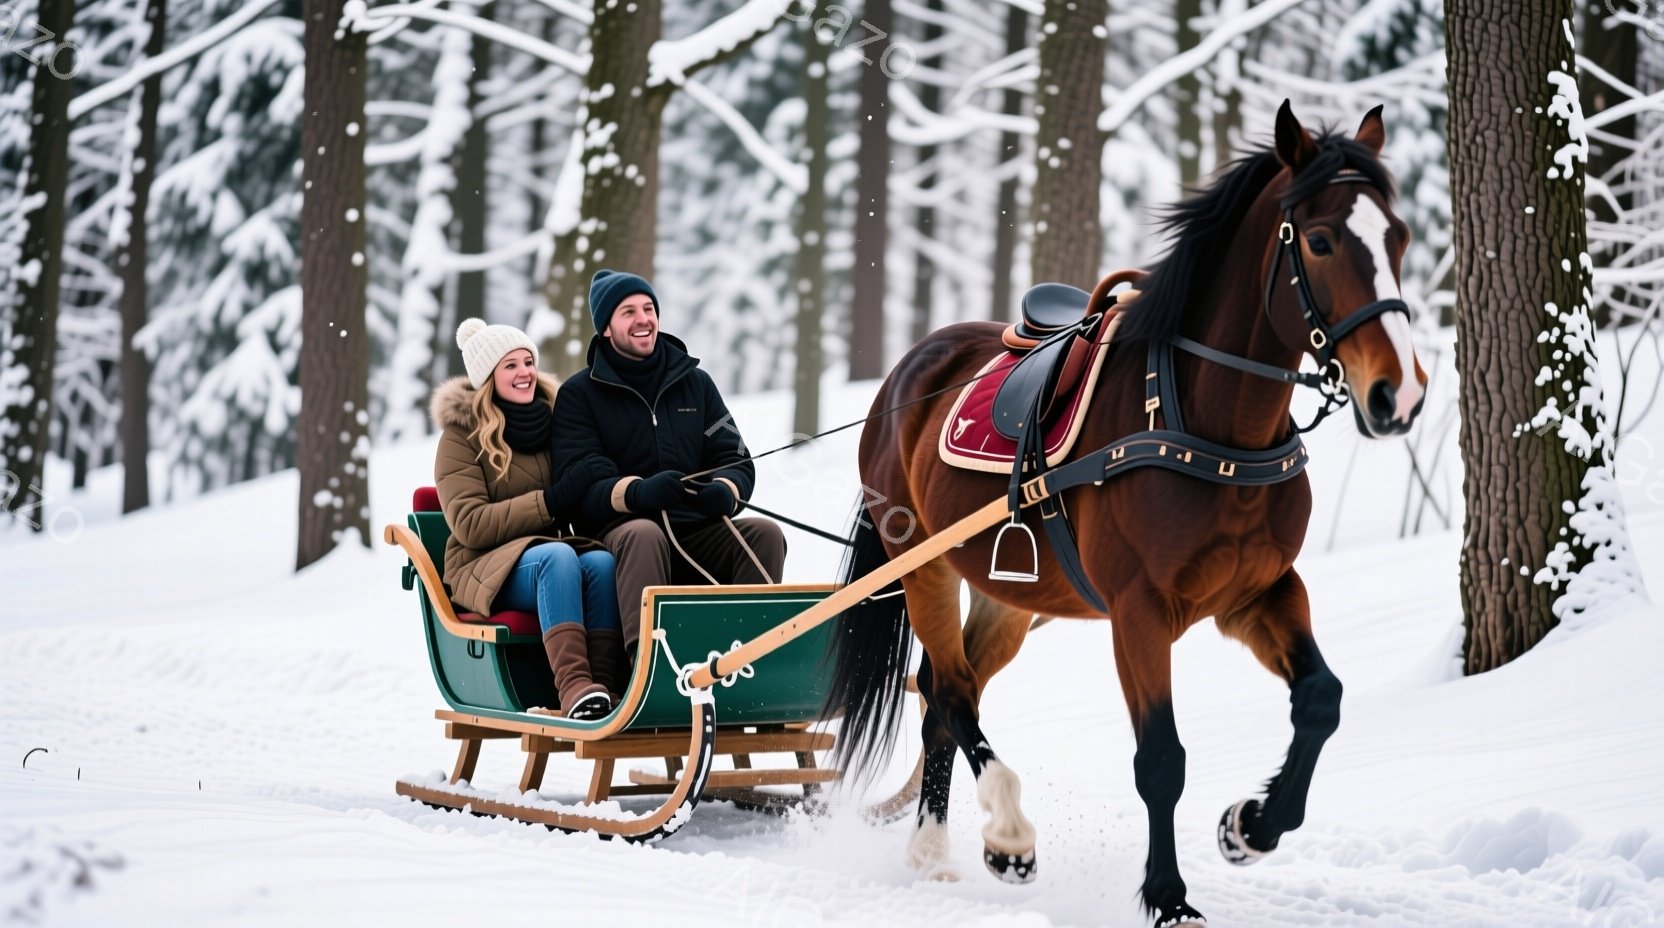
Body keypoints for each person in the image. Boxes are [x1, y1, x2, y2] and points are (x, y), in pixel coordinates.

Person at [552, 270, 786, 656]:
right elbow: (581, 489)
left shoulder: (697, 383)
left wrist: (724, 492)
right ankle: (648, 664)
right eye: (628, 311)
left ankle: (751, 657)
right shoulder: (579, 395)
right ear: (606, 328)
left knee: (763, 533)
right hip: (620, 536)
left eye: (648, 308)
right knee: (645, 534)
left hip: (695, 531)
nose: (643, 318)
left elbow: (736, 458)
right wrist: (638, 492)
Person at [431, 318, 623, 720]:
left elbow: (573, 495)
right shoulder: (460, 438)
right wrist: (551, 500)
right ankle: (572, 686)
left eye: (528, 362)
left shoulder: (552, 423)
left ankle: (604, 687)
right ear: (488, 377)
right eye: (511, 365)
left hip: (545, 556)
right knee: (558, 558)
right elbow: (470, 524)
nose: (525, 373)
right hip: (482, 566)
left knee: (601, 561)